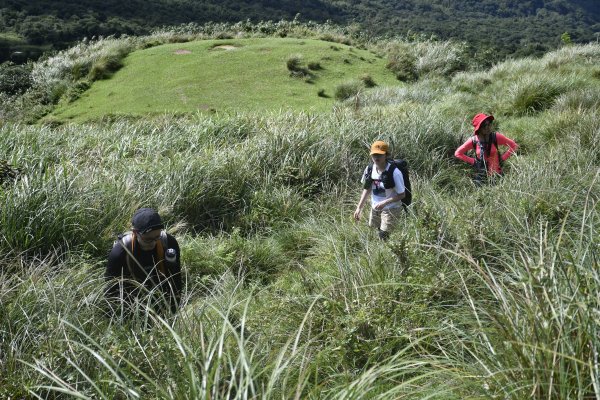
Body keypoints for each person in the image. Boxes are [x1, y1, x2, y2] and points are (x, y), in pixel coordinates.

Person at [105, 208, 182, 316]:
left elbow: (176, 280)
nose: (153, 243)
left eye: (157, 237)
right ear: (135, 233)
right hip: (130, 301)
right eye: (148, 239)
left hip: (160, 296)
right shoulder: (120, 251)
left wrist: (174, 311)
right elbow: (110, 289)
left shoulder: (168, 243)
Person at [354, 140, 406, 241]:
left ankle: (386, 254)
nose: (376, 157)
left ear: (386, 155)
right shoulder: (369, 169)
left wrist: (385, 202)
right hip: (375, 208)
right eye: (374, 155)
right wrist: (359, 208)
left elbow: (402, 194)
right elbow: (367, 189)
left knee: (384, 236)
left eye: (380, 155)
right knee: (375, 231)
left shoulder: (394, 172)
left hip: (391, 208)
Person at [455, 113, 518, 185]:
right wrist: (473, 161)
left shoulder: (496, 137)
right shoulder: (473, 140)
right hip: (480, 178)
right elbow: (458, 153)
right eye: (484, 125)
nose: (488, 127)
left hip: (497, 177)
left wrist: (502, 158)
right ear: (479, 128)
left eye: (489, 124)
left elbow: (514, 145)